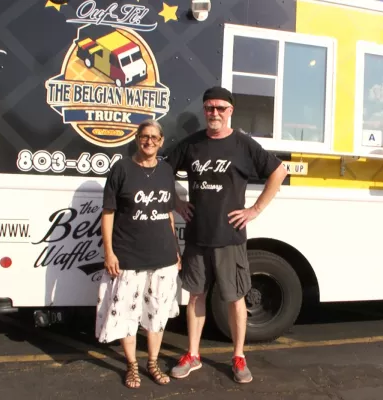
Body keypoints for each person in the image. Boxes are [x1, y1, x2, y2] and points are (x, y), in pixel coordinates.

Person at [162, 86, 288, 384]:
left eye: (220, 108)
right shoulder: (191, 145)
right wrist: (178, 202)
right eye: (209, 108)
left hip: (230, 237)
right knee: (196, 296)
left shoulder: (243, 145)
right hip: (198, 236)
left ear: (230, 111)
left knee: (235, 298)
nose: (214, 113)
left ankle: (239, 356)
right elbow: (161, 171)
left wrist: (254, 209)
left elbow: (279, 171)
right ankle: (192, 354)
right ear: (204, 111)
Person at [95, 119, 182, 389]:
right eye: (145, 136)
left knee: (157, 313)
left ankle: (152, 362)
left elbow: (168, 213)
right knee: (126, 315)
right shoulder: (121, 169)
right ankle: (132, 365)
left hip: (163, 257)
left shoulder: (166, 171)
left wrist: (176, 251)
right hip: (129, 257)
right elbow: (108, 213)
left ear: (161, 141)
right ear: (136, 138)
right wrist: (109, 252)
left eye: (155, 138)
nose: (149, 142)